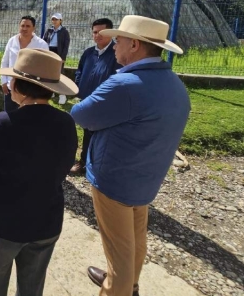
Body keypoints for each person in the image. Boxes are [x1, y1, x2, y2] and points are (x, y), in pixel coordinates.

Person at [70, 15, 191, 296]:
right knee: (134, 241)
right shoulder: (173, 84)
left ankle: (118, 288)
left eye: (119, 39)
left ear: (135, 44)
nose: (114, 45)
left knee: (119, 252)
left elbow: (81, 114)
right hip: (146, 179)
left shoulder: (125, 84)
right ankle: (130, 284)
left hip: (115, 181)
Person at [0, 49, 78, 296]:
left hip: (2, 224)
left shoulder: (3, 123)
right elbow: (63, 167)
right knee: (32, 288)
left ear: (19, 86)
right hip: (46, 222)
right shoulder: (66, 123)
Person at [70, 18, 121, 175]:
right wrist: (78, 86)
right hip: (87, 100)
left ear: (111, 33)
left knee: (100, 135)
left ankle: (96, 165)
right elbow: (79, 70)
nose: (97, 35)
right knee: (86, 131)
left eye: (101, 32)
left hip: (105, 102)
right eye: (94, 32)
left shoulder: (116, 54)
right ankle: (84, 162)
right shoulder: (88, 53)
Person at [0, 15, 48, 112]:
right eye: (22, 26)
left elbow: (44, 67)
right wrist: (3, 81)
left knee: (28, 119)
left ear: (33, 28)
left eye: (27, 26)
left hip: (31, 90)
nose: (24, 28)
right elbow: (4, 61)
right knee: (10, 118)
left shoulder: (41, 44)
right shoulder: (12, 41)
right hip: (12, 87)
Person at [42, 13, 71, 104]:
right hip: (49, 52)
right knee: (49, 73)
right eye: (53, 19)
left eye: (56, 19)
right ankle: (51, 92)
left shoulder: (64, 32)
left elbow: (66, 46)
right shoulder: (49, 30)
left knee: (59, 73)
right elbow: (44, 41)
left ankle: (62, 95)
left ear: (60, 21)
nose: (54, 21)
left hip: (58, 53)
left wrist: (63, 57)